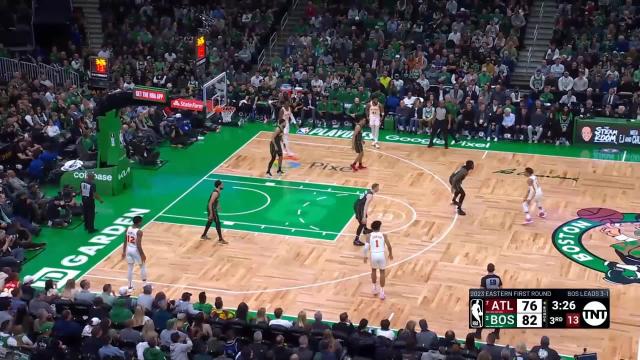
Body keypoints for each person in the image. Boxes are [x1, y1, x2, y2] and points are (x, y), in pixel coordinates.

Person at [363, 220, 393, 300]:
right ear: (379, 227)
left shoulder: (369, 236)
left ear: (372, 228)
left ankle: (374, 288)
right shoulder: (384, 235)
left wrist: (365, 256)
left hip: (373, 255)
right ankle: (382, 292)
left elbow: (365, 248)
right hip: (381, 254)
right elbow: (389, 246)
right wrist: (390, 254)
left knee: (373, 270)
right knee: (382, 272)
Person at [475, 263, 502, 340]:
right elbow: (501, 289)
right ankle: (496, 334)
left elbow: (481, 291)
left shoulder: (484, 279)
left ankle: (478, 334)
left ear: (487, 269)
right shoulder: (498, 278)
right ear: (494, 269)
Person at [122, 215, 147, 291]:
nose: (142, 223)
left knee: (130, 268)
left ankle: (129, 287)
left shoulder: (127, 229)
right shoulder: (139, 232)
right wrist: (142, 254)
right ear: (139, 222)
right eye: (141, 221)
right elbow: (139, 245)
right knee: (142, 266)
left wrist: (123, 251)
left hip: (128, 250)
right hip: (135, 250)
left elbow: (125, 240)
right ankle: (145, 286)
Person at [201, 180, 227, 244]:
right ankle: (220, 239)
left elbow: (216, 200)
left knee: (210, 221)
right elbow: (210, 203)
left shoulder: (218, 191)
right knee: (217, 223)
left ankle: (203, 235)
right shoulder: (215, 193)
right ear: (219, 185)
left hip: (213, 208)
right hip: (212, 209)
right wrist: (211, 213)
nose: (223, 185)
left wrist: (218, 206)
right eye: (222, 184)